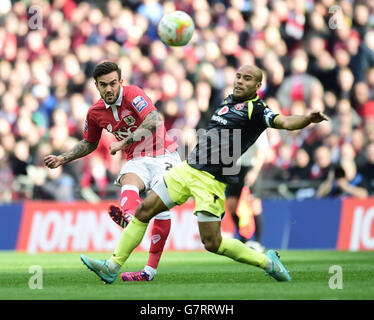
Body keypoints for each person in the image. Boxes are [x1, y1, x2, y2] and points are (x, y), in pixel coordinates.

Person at [80, 64, 328, 284]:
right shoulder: (227, 102)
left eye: (247, 78)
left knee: (213, 243)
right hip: (188, 169)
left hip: (211, 180)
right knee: (145, 211)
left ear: (258, 85)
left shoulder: (257, 109)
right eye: (238, 76)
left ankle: (268, 262)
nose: (240, 81)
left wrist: (306, 119)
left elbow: (284, 122)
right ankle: (112, 266)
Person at [44, 61, 181, 281]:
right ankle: (129, 217)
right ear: (96, 85)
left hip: (163, 153)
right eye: (103, 85)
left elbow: (154, 120)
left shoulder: (133, 94)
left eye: (113, 83)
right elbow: (89, 143)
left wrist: (124, 141)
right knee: (128, 179)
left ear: (121, 82)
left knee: (161, 209)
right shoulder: (95, 112)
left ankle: (149, 271)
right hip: (136, 158)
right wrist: (62, 158)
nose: (109, 89)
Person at [225, 131, 270, 253]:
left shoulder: (256, 125)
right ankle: (244, 239)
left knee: (254, 204)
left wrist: (255, 171)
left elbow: (261, 151)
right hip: (233, 167)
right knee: (231, 204)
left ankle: (259, 242)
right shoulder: (232, 123)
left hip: (251, 166)